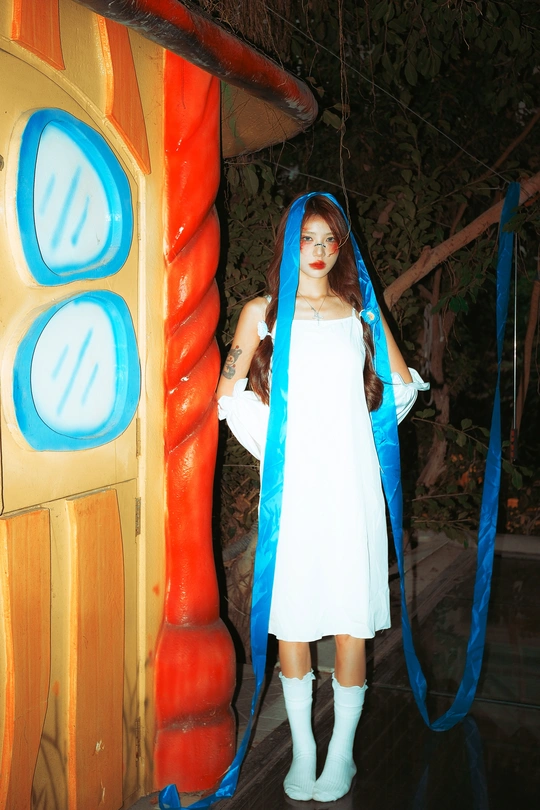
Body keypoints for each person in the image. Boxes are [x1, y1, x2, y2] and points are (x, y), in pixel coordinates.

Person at [216, 193, 428, 802]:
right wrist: (278, 445)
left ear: (341, 247)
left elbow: (400, 385)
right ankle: (304, 749)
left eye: (330, 240)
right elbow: (228, 393)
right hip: (293, 487)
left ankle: (341, 754)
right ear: (288, 241)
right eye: (308, 238)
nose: (319, 251)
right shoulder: (262, 312)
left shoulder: (359, 313)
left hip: (349, 483)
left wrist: (354, 430)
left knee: (349, 617)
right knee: (293, 617)